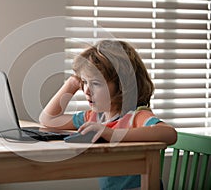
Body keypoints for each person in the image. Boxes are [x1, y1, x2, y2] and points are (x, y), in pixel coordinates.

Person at [39, 39, 177, 190]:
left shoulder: (135, 116)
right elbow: (49, 119)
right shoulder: (95, 117)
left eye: (96, 83)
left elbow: (169, 133)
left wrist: (111, 134)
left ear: (123, 86)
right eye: (84, 82)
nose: (86, 91)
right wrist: (72, 83)